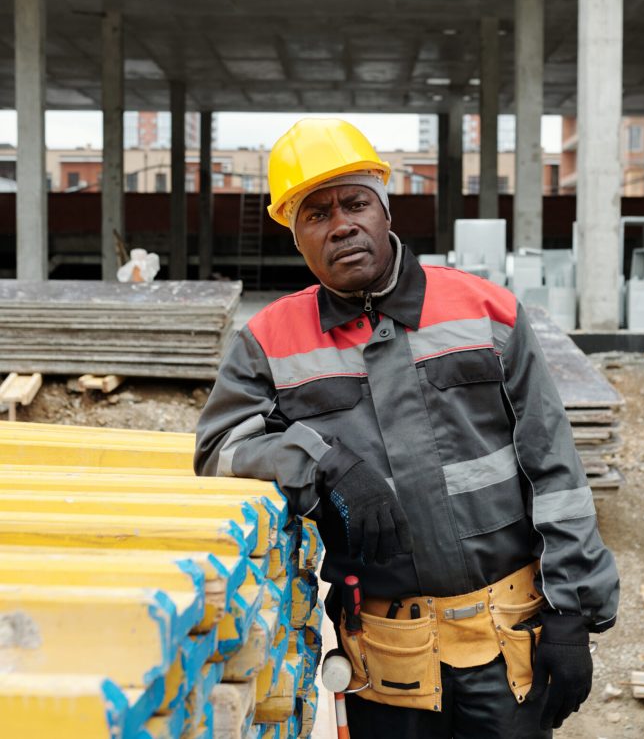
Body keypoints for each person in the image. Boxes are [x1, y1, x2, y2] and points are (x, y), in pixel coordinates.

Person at [195, 118, 619, 739]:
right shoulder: (267, 342)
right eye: (315, 214)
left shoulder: (486, 312)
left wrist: (572, 614)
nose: (341, 224)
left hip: (505, 645)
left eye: (355, 203)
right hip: (383, 659)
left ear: (384, 210)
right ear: (296, 236)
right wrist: (323, 463)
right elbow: (219, 450)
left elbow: (555, 469)